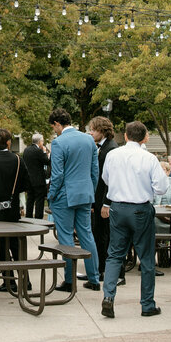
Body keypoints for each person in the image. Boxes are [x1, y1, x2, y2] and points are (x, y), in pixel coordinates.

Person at [99, 121, 167, 318]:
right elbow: (161, 187)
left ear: (126, 136)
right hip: (140, 208)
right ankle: (147, 304)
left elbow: (106, 179)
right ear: (144, 138)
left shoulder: (113, 155)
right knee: (146, 258)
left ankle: (108, 297)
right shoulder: (149, 158)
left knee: (114, 255)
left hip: (118, 207)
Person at [47, 107, 101, 292]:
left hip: (64, 196)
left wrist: (51, 195)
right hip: (85, 194)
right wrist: (90, 191)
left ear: (57, 124)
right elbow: (94, 171)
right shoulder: (89, 139)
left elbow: (57, 175)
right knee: (87, 235)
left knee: (66, 238)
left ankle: (70, 281)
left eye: (53, 127)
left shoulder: (58, 142)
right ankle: (94, 279)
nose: (54, 131)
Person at [0, 127, 31, 293]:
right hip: (13, 209)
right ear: (9, 142)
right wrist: (13, 195)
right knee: (16, 245)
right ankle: (25, 280)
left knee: (1, 247)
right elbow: (26, 184)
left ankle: (9, 281)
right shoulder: (18, 160)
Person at [89, 116, 119, 286]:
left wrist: (104, 203)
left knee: (103, 236)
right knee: (99, 235)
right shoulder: (103, 147)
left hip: (105, 201)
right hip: (100, 199)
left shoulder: (110, 149)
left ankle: (102, 270)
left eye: (93, 130)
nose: (91, 132)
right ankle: (100, 268)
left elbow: (109, 181)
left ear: (102, 130)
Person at [22, 133, 50, 219]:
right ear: (39, 142)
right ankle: (38, 219)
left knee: (30, 199)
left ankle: (28, 217)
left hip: (29, 179)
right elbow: (47, 161)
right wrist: (44, 152)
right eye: (42, 141)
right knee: (39, 201)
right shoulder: (39, 151)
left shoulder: (26, 150)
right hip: (39, 180)